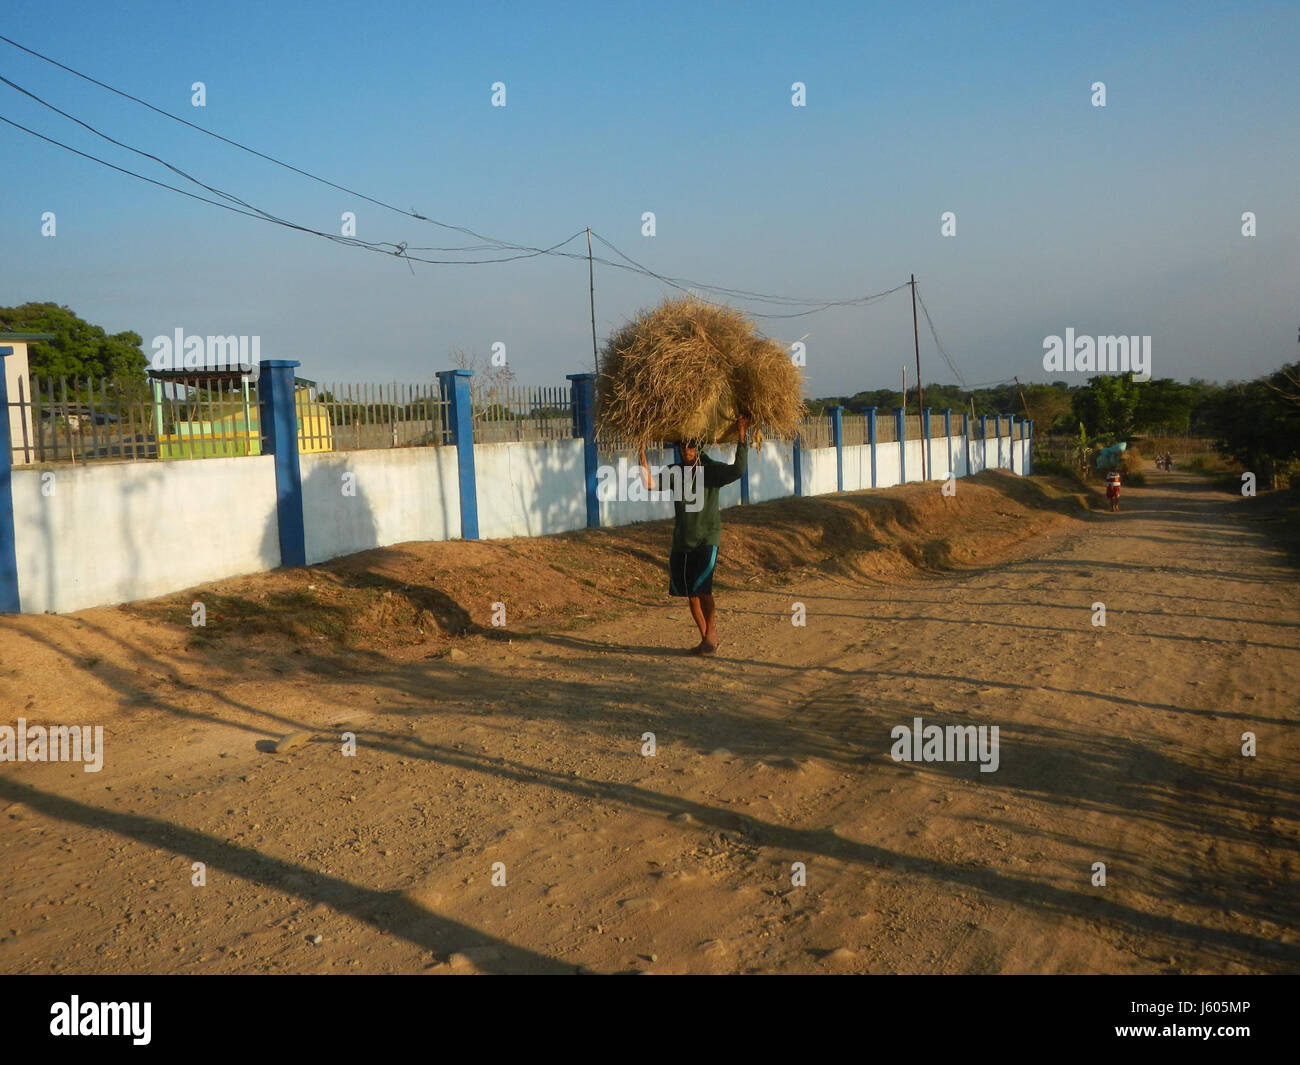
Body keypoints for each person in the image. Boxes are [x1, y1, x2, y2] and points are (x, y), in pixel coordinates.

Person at [639, 416, 749, 654]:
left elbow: (739, 470)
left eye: (690, 445)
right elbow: (648, 484)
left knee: (704, 589)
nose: (685, 450)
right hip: (682, 541)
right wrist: (641, 452)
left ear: (698, 447)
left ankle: (712, 634)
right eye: (682, 446)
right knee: (691, 594)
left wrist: (741, 435)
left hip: (707, 538)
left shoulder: (710, 472)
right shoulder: (675, 472)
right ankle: (705, 639)